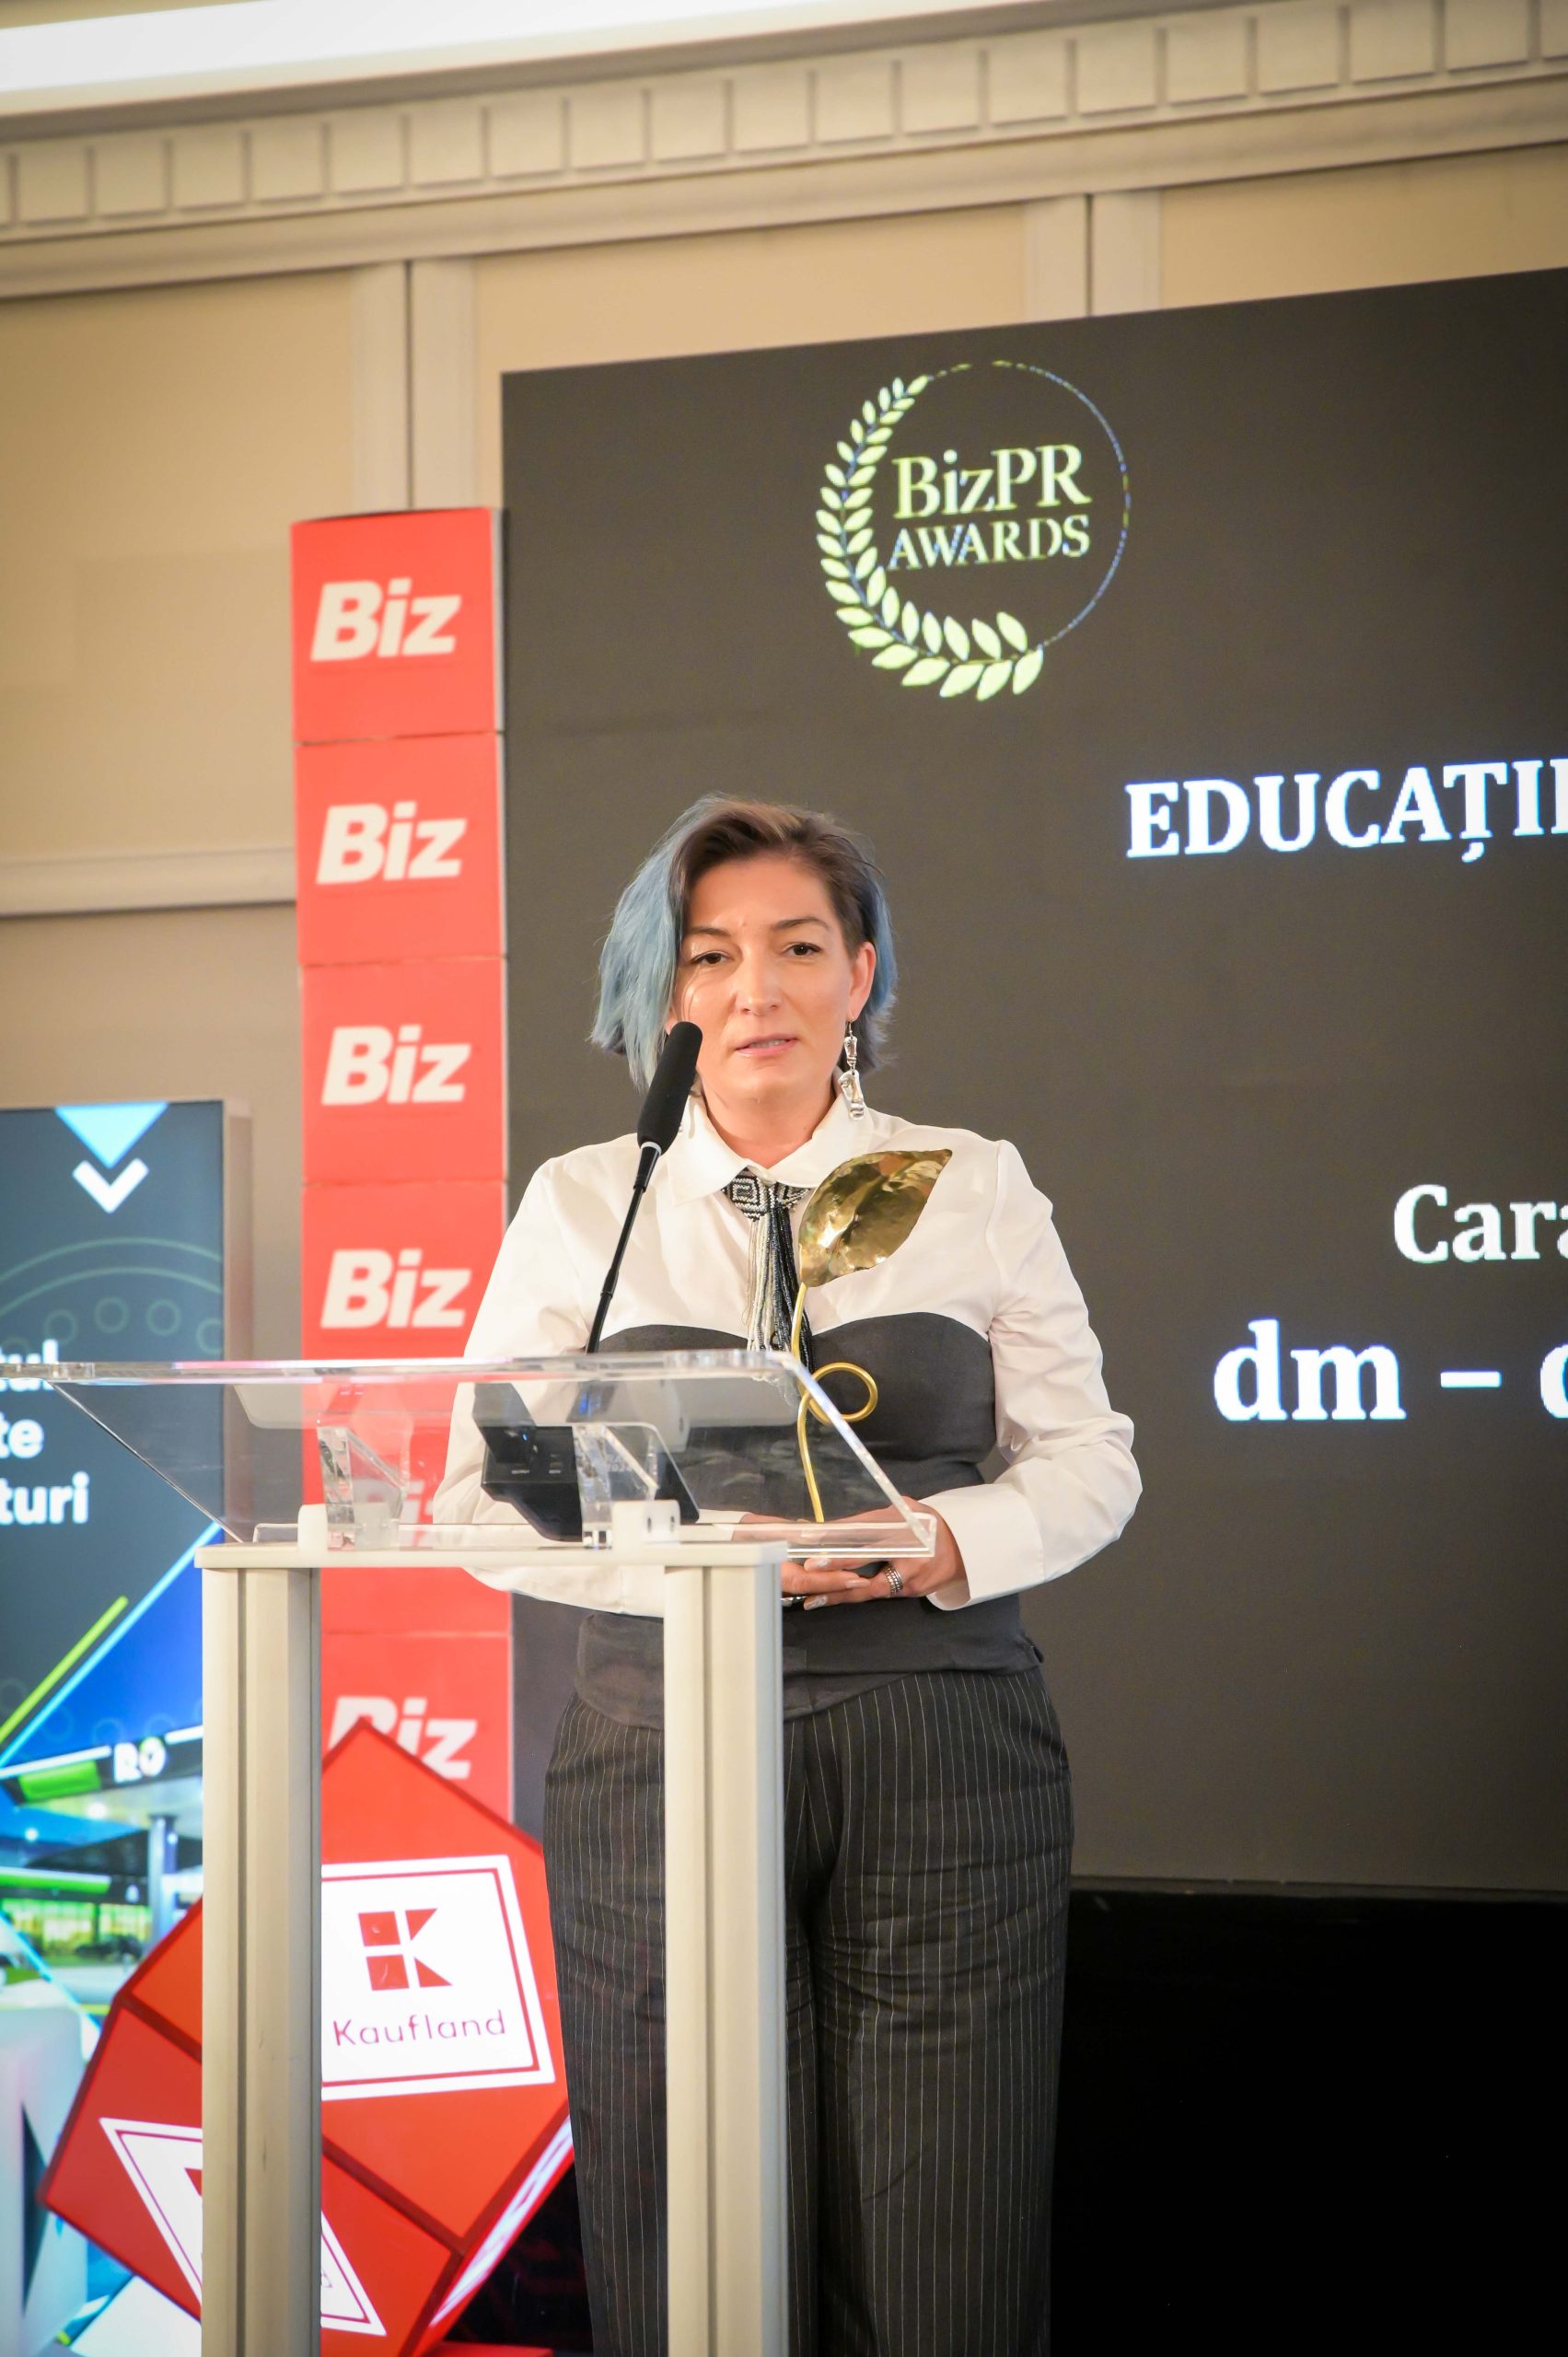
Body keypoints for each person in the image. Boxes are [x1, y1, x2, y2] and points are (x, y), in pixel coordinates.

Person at [440, 797, 1140, 2356]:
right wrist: (685, 1560)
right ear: (665, 993)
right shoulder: (584, 1202)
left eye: (799, 948)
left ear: (860, 975)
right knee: (685, 2240)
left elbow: (1093, 1461)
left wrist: (940, 1543)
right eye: (710, 956)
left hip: (940, 1746)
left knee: (947, 2252)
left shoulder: (968, 1181)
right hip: (661, 1751)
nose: (755, 989)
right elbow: (484, 1493)